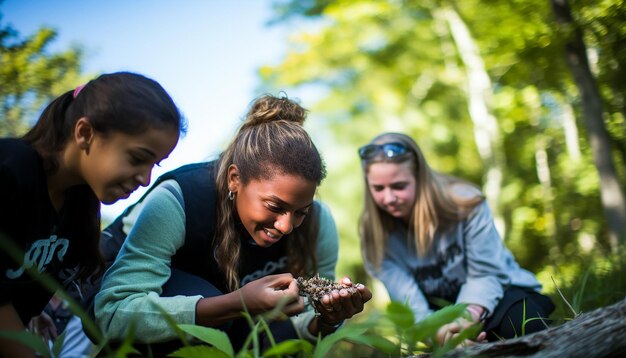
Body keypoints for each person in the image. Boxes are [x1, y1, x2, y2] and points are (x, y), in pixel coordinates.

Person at [94, 94, 372, 355]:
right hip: (112, 297)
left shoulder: (318, 225)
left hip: (235, 322)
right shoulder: (179, 200)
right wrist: (235, 304)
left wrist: (326, 320)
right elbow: (112, 312)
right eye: (275, 207)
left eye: (301, 212)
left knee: (267, 332)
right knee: (217, 309)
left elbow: (298, 328)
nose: (287, 226)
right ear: (234, 179)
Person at [0, 71, 184, 357]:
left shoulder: (80, 206)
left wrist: (29, 309)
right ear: (85, 133)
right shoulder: (11, 169)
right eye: (138, 158)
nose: (146, 180)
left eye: (154, 166)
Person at [358, 132, 554, 347]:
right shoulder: (373, 236)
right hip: (440, 318)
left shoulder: (466, 203)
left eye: (399, 186)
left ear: (419, 178)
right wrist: (438, 334)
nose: (389, 198)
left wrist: (466, 320)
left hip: (499, 296)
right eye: (378, 188)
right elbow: (410, 304)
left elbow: (487, 272)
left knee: (523, 329)